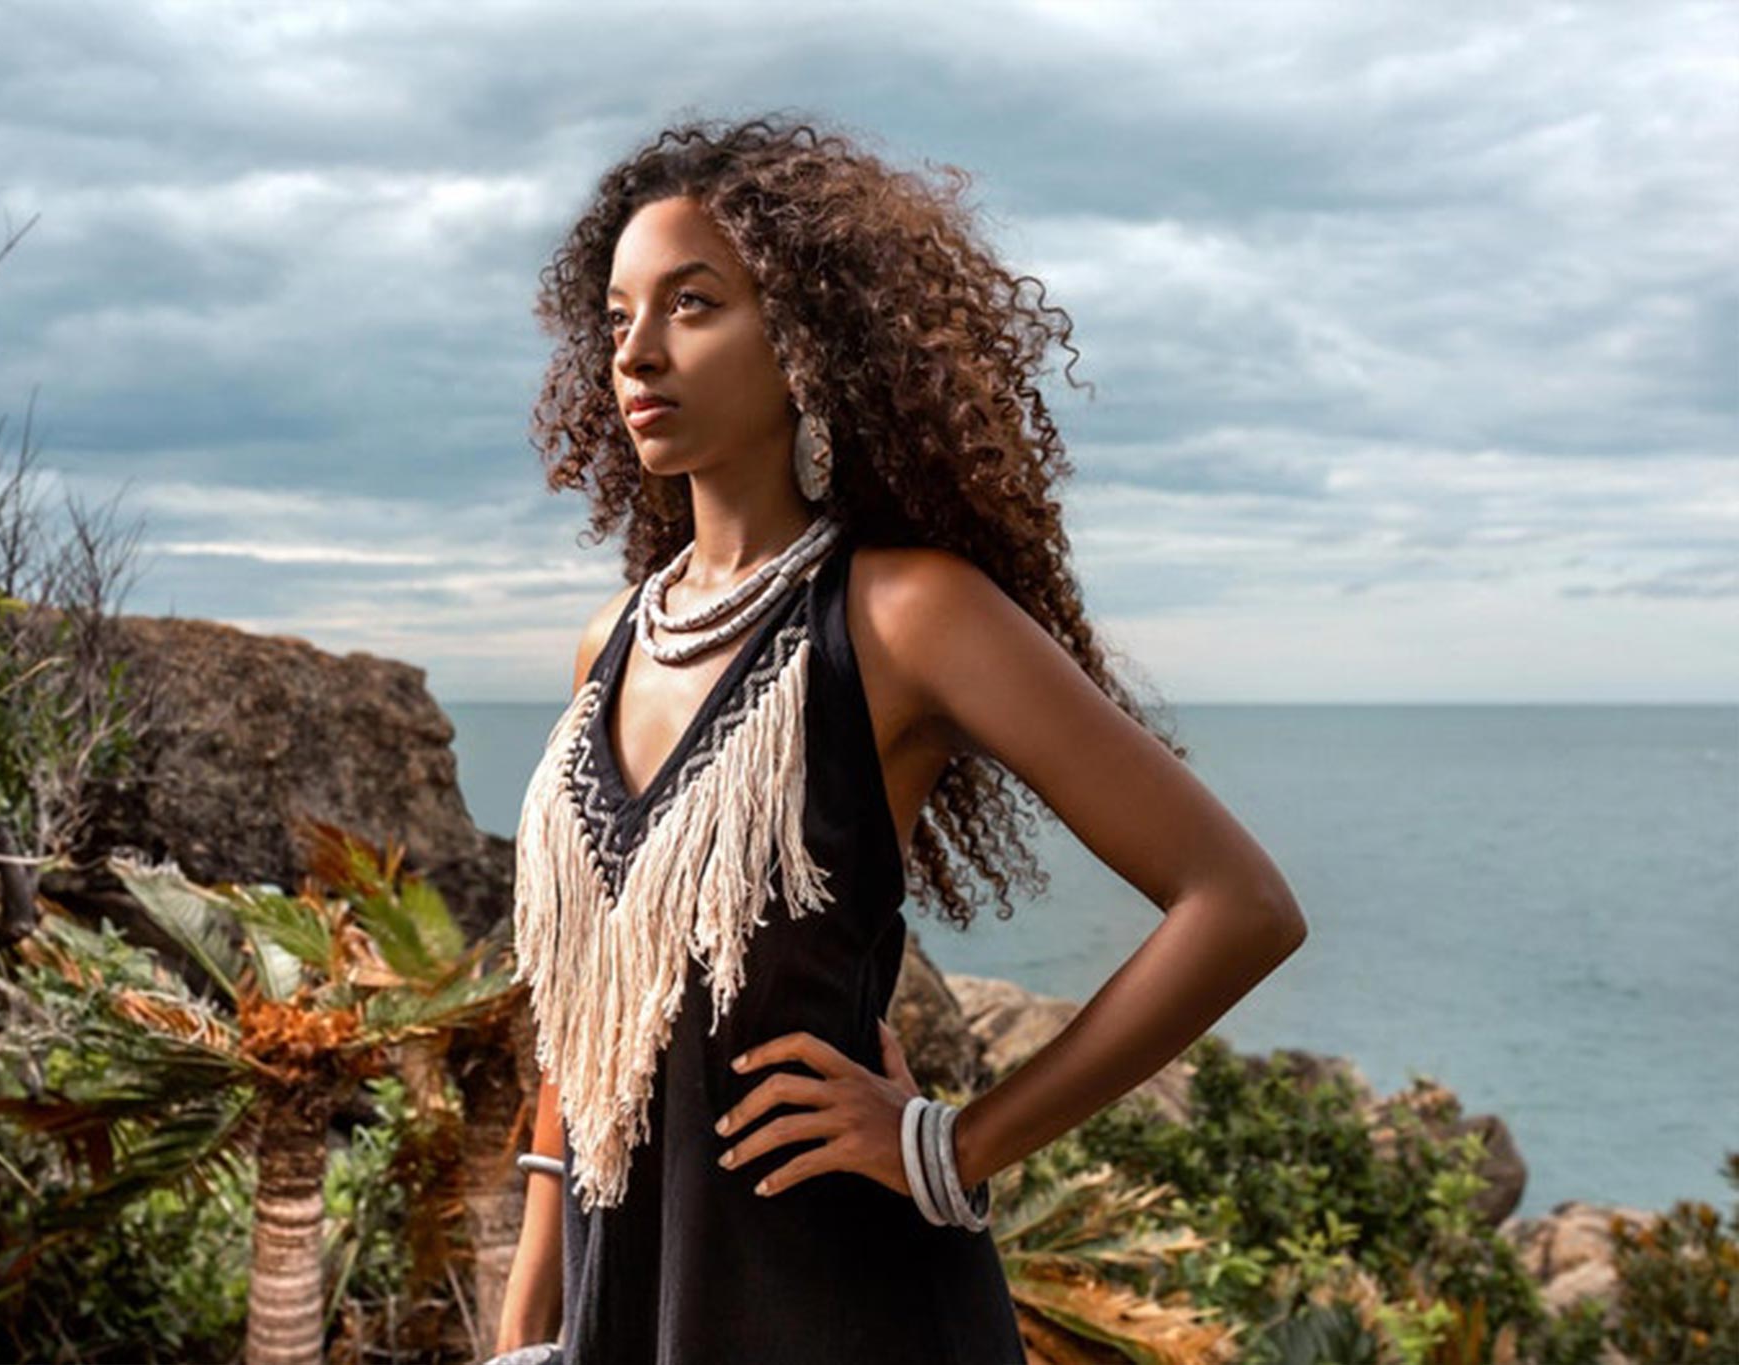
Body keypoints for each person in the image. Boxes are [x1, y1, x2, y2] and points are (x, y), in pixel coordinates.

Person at [490, 114, 1307, 1365]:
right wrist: (528, 1316)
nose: (637, 352)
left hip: (837, 1306)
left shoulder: (903, 615)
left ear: (805, 340)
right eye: (615, 320)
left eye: (692, 304)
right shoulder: (609, 641)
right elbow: (587, 1012)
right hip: (625, 1307)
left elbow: (1236, 904)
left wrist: (948, 1147)